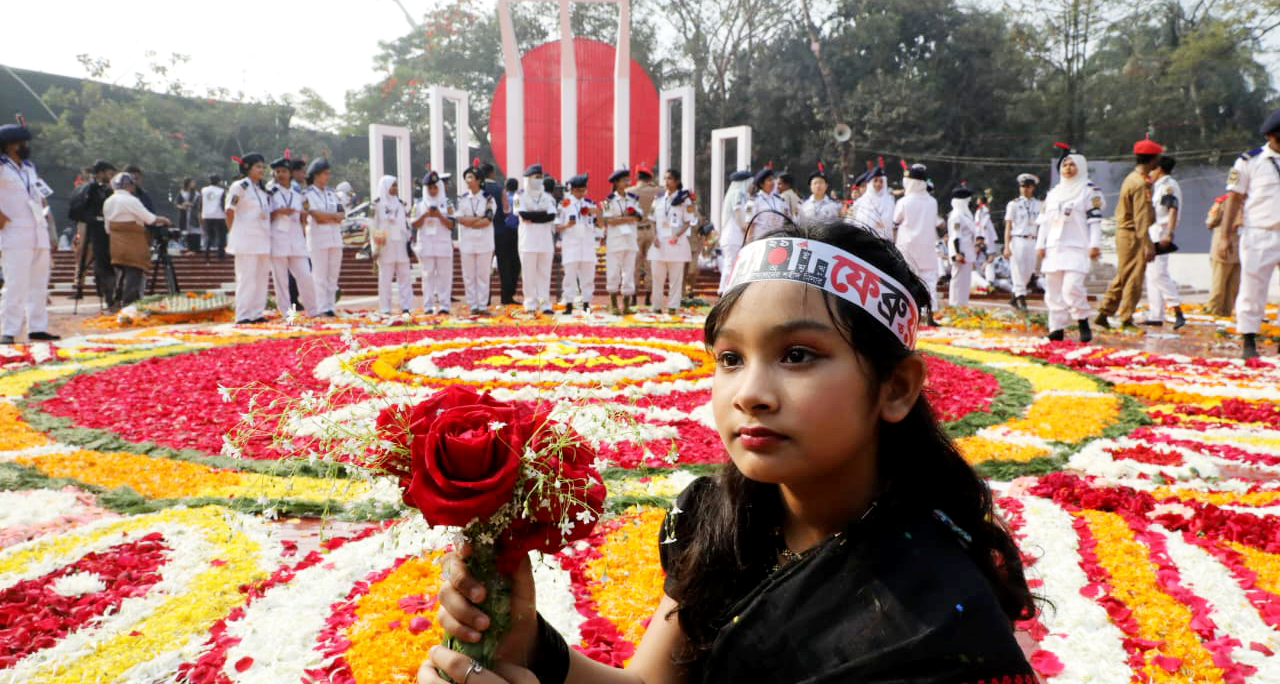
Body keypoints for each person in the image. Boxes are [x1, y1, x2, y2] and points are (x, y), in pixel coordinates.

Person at [424, 220, 1038, 684]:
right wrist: (531, 645)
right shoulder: (719, 519)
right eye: (730, 359)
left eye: (798, 355)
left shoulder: (936, 623)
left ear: (896, 388)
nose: (750, 394)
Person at [1226, 110, 1280, 359]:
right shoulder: (1249, 161)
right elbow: (1234, 198)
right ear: (1270, 136)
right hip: (1259, 233)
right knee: (1252, 289)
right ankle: (1248, 341)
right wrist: (1226, 234)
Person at [0, 122, 59, 343]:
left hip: (38, 230)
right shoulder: (2, 167)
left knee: (39, 283)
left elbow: (38, 195)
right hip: (14, 231)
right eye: (23, 142)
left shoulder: (29, 167)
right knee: (15, 282)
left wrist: (48, 222)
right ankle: (9, 329)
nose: (27, 146)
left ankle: (37, 327)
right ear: (11, 145)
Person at [1036, 148, 1102, 343]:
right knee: (1053, 290)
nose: (1068, 168)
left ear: (1080, 167)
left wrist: (1095, 244)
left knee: (1071, 288)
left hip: (1077, 247)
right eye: (1064, 164)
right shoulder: (1054, 193)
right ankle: (1056, 329)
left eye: (1072, 164)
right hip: (1054, 247)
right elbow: (1044, 221)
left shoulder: (1088, 191)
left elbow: (1095, 221)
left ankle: (1082, 320)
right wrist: (1040, 244)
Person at [1095, 138, 1162, 329]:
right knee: (1134, 277)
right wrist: (1147, 243)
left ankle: (1105, 311)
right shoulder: (1140, 184)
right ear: (1152, 159)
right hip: (1133, 234)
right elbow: (1141, 217)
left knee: (1124, 274)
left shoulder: (1134, 179)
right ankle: (1126, 318)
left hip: (1128, 233)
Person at [103, 172, 171, 307]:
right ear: (129, 186)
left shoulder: (108, 201)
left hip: (116, 245)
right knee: (134, 273)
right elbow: (150, 219)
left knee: (122, 272)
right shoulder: (131, 200)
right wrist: (164, 220)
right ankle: (130, 304)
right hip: (133, 244)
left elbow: (107, 229)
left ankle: (117, 301)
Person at [225, 153, 273, 324]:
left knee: (261, 278)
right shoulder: (240, 186)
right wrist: (233, 232)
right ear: (247, 168)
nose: (261, 170)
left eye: (262, 167)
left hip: (262, 239)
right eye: (257, 167)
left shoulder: (261, 189)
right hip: (246, 240)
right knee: (246, 278)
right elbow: (230, 211)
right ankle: (243, 314)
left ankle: (257, 313)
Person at [267, 156, 317, 317]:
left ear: (290, 174)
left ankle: (314, 310)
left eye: (284, 171)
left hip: (296, 239)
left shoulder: (297, 194)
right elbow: (264, 216)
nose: (281, 174)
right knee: (281, 280)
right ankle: (287, 313)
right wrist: (279, 212)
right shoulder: (270, 193)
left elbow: (304, 215)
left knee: (306, 275)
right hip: (278, 238)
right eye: (278, 171)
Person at [1143, 155, 1186, 329]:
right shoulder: (1159, 186)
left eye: (1152, 169)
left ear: (1159, 169)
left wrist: (1168, 233)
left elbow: (1172, 209)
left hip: (1161, 232)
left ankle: (1177, 310)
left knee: (1159, 273)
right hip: (1154, 232)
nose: (1149, 173)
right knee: (1152, 274)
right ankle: (1156, 314)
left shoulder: (1168, 186)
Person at [894, 163, 940, 321]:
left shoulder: (904, 202)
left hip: (907, 246)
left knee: (907, 280)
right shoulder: (932, 202)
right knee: (930, 281)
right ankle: (930, 315)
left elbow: (895, 220)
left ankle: (906, 314)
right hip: (927, 247)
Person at [648, 169, 698, 313]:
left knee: (676, 278)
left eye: (669, 179)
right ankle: (656, 307)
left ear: (676, 181)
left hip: (676, 243)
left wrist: (677, 235)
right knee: (657, 277)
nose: (666, 182)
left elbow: (688, 221)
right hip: (659, 243)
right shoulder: (658, 199)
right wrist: (653, 236)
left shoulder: (685, 200)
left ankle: (673, 307)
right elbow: (652, 220)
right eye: (664, 179)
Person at [69, 160, 117, 307]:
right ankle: (79, 285)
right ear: (101, 173)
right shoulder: (89, 189)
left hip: (101, 225)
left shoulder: (107, 190)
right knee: (82, 253)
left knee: (100, 256)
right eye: (109, 173)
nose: (111, 177)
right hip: (87, 224)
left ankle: (103, 288)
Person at [513, 164, 557, 315]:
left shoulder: (548, 197)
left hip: (545, 241)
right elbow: (523, 215)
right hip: (528, 242)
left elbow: (551, 216)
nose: (539, 180)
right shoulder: (519, 196)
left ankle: (545, 304)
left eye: (540, 177)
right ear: (528, 179)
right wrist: (541, 216)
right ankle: (530, 303)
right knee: (529, 274)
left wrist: (534, 216)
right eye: (536, 177)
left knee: (545, 275)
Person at [410, 170, 455, 316]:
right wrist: (425, 215)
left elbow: (452, 224)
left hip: (443, 245)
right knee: (427, 276)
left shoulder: (447, 203)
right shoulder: (419, 204)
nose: (433, 190)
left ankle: (444, 306)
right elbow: (413, 224)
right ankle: (428, 306)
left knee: (444, 276)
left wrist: (439, 216)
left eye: (435, 187)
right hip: (426, 245)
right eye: (430, 187)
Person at [303, 158, 344, 317]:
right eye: (325, 174)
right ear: (316, 175)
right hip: (318, 239)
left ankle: (330, 307)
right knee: (319, 275)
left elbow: (341, 215)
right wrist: (331, 217)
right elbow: (316, 216)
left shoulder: (332, 193)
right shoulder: (307, 194)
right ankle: (320, 307)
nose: (327, 177)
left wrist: (330, 216)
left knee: (333, 275)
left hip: (334, 238)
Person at [601, 167, 643, 314]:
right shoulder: (608, 201)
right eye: (624, 180)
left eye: (627, 180)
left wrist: (620, 219)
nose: (627, 182)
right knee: (613, 273)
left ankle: (626, 305)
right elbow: (608, 220)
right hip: (615, 241)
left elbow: (638, 216)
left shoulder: (633, 199)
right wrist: (627, 218)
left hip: (630, 240)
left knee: (629, 273)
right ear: (616, 183)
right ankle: (613, 304)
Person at [556, 174, 599, 314]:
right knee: (569, 275)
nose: (581, 193)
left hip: (587, 243)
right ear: (572, 190)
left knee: (588, 275)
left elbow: (599, 223)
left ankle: (586, 303)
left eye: (583, 190)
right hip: (571, 244)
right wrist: (567, 225)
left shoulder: (589, 203)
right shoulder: (564, 204)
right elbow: (556, 226)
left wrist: (596, 212)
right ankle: (569, 303)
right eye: (578, 190)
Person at [371, 174, 414, 315]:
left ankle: (406, 306)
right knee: (385, 279)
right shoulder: (377, 204)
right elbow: (374, 226)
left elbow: (406, 226)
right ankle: (385, 308)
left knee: (405, 276)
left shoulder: (400, 203)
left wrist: (410, 245)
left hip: (401, 244)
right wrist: (375, 248)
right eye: (393, 185)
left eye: (396, 185)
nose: (395, 188)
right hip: (385, 245)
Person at [456, 164, 496, 315]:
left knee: (483, 275)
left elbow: (488, 220)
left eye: (471, 177)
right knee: (469, 275)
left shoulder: (488, 199)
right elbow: (460, 219)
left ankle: (482, 306)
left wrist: (471, 221)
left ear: (479, 180)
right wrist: (478, 219)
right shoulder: (462, 199)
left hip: (484, 242)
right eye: (466, 177)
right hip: (467, 242)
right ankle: (473, 305)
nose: (468, 180)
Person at [1003, 173, 1041, 311]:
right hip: (1018, 239)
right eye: (1022, 186)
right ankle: (1021, 300)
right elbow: (1008, 226)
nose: (1025, 189)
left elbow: (1041, 226)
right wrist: (1006, 246)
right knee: (1018, 270)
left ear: (1033, 187)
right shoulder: (1013, 204)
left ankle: (1015, 297)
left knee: (1028, 271)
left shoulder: (1039, 205)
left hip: (1033, 240)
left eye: (1028, 186)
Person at [627, 166, 663, 306]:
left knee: (634, 265)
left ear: (637, 177)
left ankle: (634, 297)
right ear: (649, 178)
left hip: (635, 230)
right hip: (651, 230)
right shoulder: (657, 191)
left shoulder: (629, 191)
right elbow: (665, 191)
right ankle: (648, 296)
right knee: (650, 265)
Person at [487, 167, 521, 306]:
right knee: (508, 265)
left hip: (487, 229)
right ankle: (506, 296)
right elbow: (511, 212)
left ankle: (485, 298)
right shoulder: (513, 196)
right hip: (508, 232)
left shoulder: (482, 189)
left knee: (483, 266)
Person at [717, 170, 754, 295]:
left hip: (737, 237)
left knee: (735, 265)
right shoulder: (736, 193)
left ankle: (728, 291)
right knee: (730, 264)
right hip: (732, 237)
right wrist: (746, 229)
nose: (751, 185)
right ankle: (723, 292)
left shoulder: (744, 196)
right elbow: (738, 216)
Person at [1205, 193, 1239, 318]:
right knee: (1219, 285)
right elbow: (1210, 221)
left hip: (1240, 249)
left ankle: (1226, 315)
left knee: (1233, 287)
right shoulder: (1225, 201)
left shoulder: (1252, 200)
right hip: (1224, 247)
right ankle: (1214, 314)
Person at [946, 186, 977, 308]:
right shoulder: (956, 216)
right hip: (960, 252)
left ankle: (963, 305)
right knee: (958, 280)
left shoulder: (965, 215)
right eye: (967, 200)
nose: (969, 202)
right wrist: (958, 253)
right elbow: (955, 235)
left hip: (968, 252)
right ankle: (955, 305)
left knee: (965, 281)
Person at [850, 167, 895, 239]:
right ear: (870, 183)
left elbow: (893, 223)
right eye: (875, 181)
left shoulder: (889, 201)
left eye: (881, 181)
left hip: (884, 242)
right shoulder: (861, 202)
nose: (878, 184)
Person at [747, 167, 788, 236]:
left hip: (778, 238)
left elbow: (786, 218)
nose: (772, 182)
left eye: (773, 180)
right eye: (769, 180)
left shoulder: (779, 200)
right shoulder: (752, 201)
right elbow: (750, 223)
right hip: (761, 239)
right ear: (761, 184)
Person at [201, 174, 227, 260]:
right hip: (219, 215)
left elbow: (201, 203)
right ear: (219, 182)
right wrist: (226, 214)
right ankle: (221, 255)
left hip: (207, 215)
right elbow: (223, 204)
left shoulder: (203, 190)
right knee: (221, 235)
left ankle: (207, 253)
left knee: (209, 235)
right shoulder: (221, 191)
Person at [175, 177, 199, 250]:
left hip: (193, 216)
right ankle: (186, 246)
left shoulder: (196, 194)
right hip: (184, 214)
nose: (194, 184)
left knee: (194, 231)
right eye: (192, 182)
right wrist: (182, 206)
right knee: (184, 231)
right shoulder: (181, 193)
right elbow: (177, 203)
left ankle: (194, 248)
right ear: (188, 183)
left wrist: (191, 204)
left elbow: (199, 204)